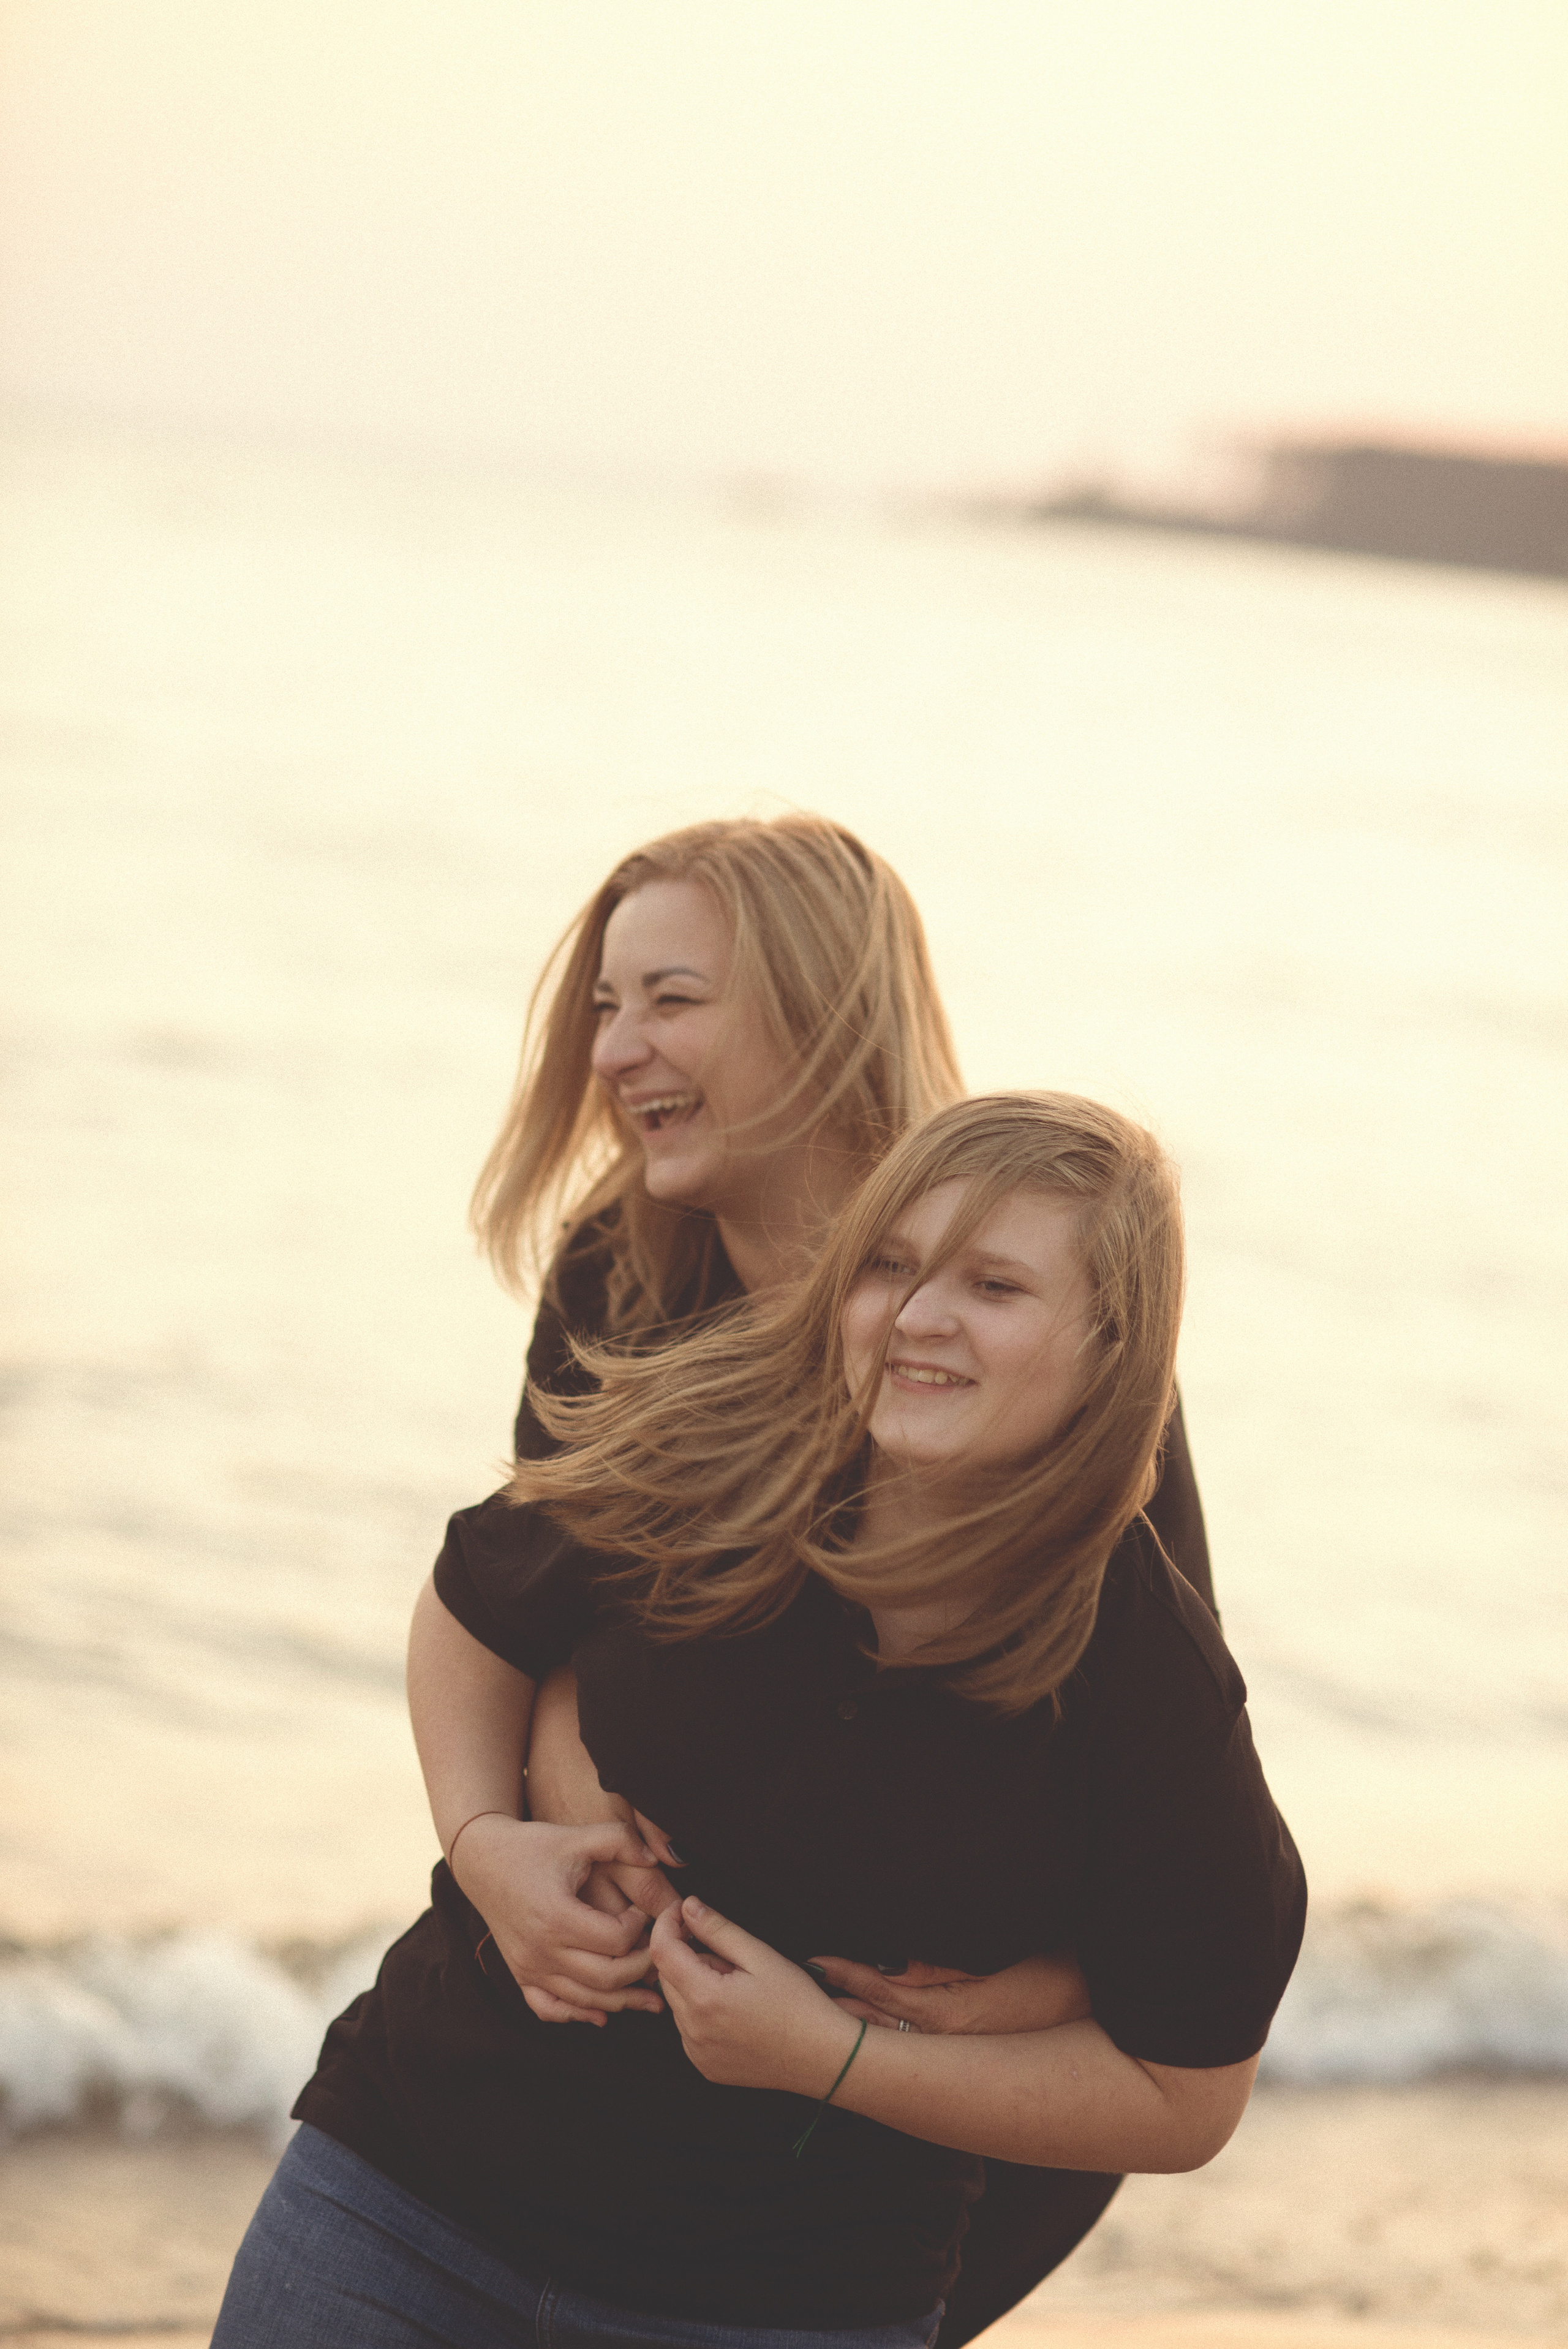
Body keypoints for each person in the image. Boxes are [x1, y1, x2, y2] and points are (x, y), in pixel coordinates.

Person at [214, 1092, 1305, 2349]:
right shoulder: (720, 1440)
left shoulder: (1143, 1670)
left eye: (992, 1287)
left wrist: (830, 2060)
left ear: (1112, 1348)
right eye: (889, 1265)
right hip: (404, 2201)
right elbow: (471, 1605)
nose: (915, 1317)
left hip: (786, 2301)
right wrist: (482, 1843)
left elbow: (1183, 2095)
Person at [458, 812, 1216, 2339]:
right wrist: (521, 1804)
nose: (612, 1052)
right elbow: (530, 1585)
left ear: (814, 1010)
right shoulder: (622, 1267)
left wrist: (1043, 1988)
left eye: (669, 999)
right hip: (674, 2057)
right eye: (603, 1007)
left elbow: (1155, 1740)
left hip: (938, 2120)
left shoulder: (1022, 1352)